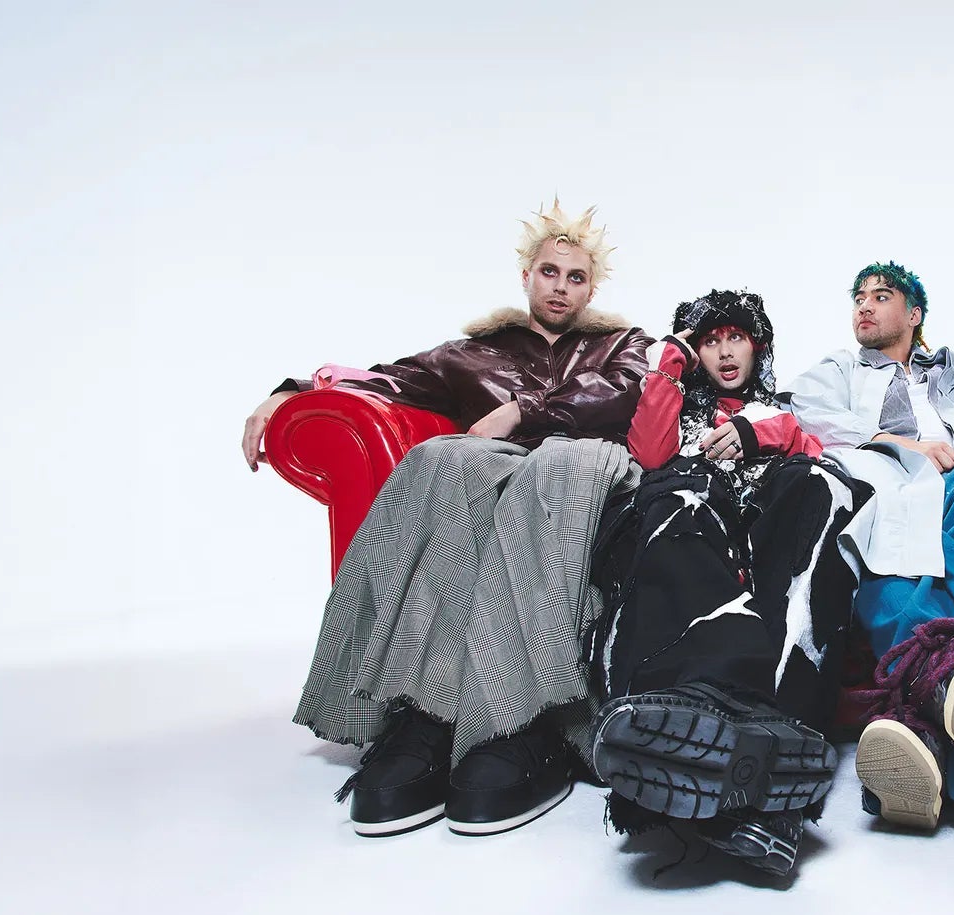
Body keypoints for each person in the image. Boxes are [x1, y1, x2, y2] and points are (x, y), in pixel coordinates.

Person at [241, 201, 652, 838]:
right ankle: (425, 710)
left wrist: (522, 412)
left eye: (576, 278)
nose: (560, 287)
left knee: (555, 469)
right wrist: (291, 391)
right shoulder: (470, 354)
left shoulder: (620, 344)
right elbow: (382, 380)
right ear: (527, 275)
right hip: (491, 477)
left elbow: (626, 392)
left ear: (591, 289)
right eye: (549, 272)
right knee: (444, 458)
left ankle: (530, 718)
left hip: (579, 469)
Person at [588, 289, 866, 876]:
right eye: (709, 342)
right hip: (696, 531)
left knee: (821, 487)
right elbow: (650, 453)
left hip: (763, 536)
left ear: (756, 346)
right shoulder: (677, 407)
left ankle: (781, 738)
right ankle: (699, 719)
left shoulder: (776, 412)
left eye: (735, 337)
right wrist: (671, 359)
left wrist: (753, 433)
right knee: (676, 496)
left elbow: (807, 446)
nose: (725, 351)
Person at [783, 262, 954, 831]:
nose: (864, 306)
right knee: (884, 559)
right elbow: (808, 411)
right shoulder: (839, 369)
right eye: (859, 298)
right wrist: (897, 442)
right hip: (882, 480)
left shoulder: (951, 370)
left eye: (881, 296)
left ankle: (920, 721)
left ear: (914, 315)